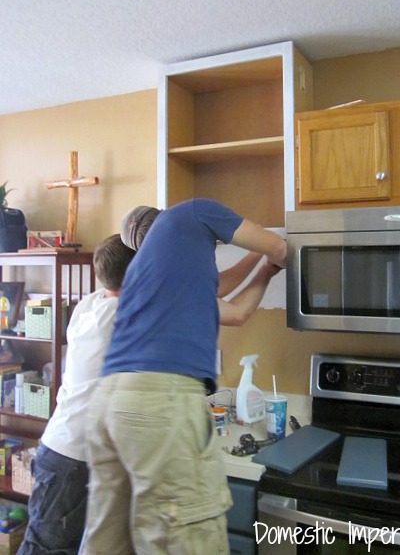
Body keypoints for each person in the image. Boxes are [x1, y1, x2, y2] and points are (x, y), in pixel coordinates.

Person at [82, 198, 286, 555]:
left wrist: (264, 268)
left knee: (108, 543)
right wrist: (278, 251)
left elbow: (233, 307)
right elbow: (279, 247)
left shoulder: (155, 279)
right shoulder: (195, 211)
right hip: (160, 402)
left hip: (110, 403)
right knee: (189, 539)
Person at [17, 234, 136, 555]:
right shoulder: (121, 314)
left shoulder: (90, 304)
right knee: (44, 548)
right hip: (70, 461)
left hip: (62, 451)